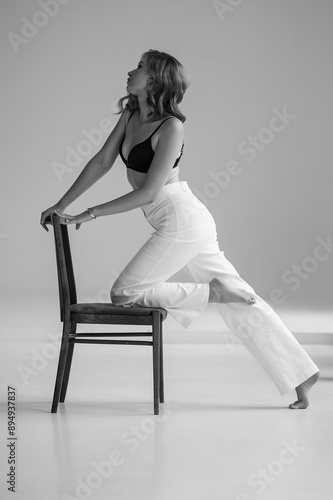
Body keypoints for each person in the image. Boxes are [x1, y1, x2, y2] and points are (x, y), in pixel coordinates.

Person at [41, 49, 319, 409]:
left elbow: (150, 192)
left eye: (139, 68)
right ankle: (303, 374)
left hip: (181, 219)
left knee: (125, 292)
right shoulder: (132, 112)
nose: (131, 71)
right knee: (243, 297)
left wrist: (89, 213)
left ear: (156, 79)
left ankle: (212, 294)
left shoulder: (171, 127)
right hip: (174, 218)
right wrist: (63, 204)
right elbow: (102, 160)